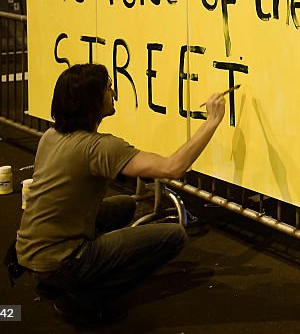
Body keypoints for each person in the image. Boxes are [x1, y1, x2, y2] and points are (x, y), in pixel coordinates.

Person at [15, 64, 227, 326]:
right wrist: (212, 121)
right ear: (92, 100)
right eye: (108, 88)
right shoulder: (99, 147)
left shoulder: (51, 135)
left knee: (125, 206)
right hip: (59, 260)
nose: (113, 93)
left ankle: (60, 281)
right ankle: (86, 297)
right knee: (174, 236)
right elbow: (173, 168)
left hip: (29, 250)